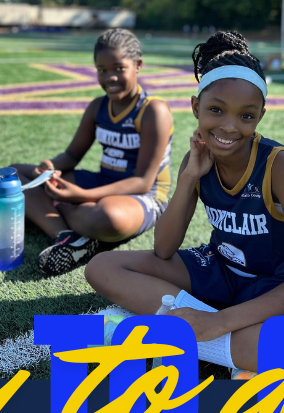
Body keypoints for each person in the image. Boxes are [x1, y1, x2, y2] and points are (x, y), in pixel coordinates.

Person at [84, 31, 284, 378]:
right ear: (196, 107)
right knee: (103, 267)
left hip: (273, 285)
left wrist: (217, 322)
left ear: (261, 115)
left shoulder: (279, 164)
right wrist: (189, 178)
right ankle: (233, 350)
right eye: (215, 110)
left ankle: (170, 333)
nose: (229, 126)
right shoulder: (196, 158)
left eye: (246, 116)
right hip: (218, 271)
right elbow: (163, 248)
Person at [12, 28, 173, 276]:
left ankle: (60, 211)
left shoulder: (153, 111)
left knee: (108, 218)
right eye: (102, 70)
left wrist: (80, 195)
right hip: (103, 181)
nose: (110, 77)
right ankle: (67, 236)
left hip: (146, 197)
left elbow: (143, 182)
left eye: (119, 68)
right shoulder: (97, 107)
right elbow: (72, 156)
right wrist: (50, 168)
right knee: (13, 175)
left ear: (138, 65)